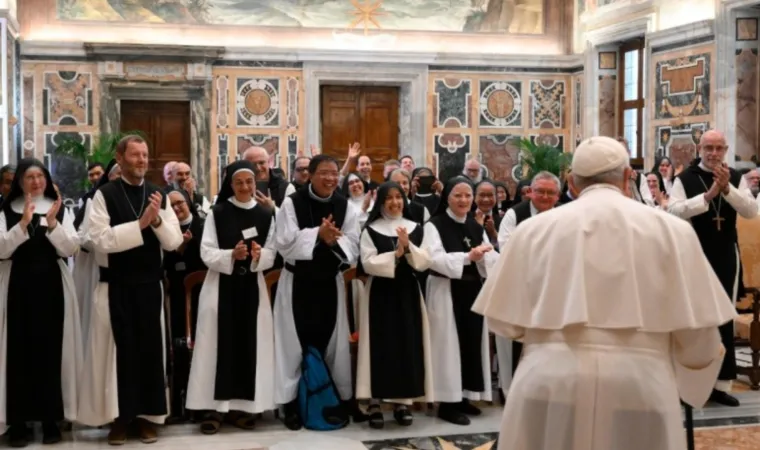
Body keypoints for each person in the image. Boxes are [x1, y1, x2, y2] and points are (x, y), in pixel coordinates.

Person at [473, 136, 735, 450]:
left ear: (571, 181)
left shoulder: (532, 230)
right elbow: (700, 344)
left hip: (547, 383)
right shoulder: (672, 231)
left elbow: (505, 324)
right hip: (640, 385)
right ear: (628, 177)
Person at [77, 135, 183, 445]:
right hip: (115, 287)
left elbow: (174, 241)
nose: (141, 160)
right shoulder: (104, 195)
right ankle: (120, 420)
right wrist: (140, 225)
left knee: (149, 353)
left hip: (149, 286)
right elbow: (97, 240)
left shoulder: (157, 194)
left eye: (145, 155)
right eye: (135, 155)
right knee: (116, 356)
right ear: (120, 158)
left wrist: (157, 222)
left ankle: (147, 417)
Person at [667, 129, 758, 407]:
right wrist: (707, 196)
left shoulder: (735, 178)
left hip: (726, 255)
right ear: (700, 148)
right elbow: (672, 212)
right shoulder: (685, 178)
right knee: (696, 320)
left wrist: (727, 189)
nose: (714, 153)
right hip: (695, 254)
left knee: (723, 318)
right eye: (709, 147)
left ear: (726, 149)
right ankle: (689, 385)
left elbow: (751, 211)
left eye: (719, 148)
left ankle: (720, 385)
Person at [186, 160, 277, 434]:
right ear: (231, 184)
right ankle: (214, 408)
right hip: (220, 288)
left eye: (249, 181)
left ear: (255, 183)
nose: (245, 187)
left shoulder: (264, 214)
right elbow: (206, 250)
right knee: (216, 346)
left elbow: (273, 250)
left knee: (249, 345)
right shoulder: (218, 212)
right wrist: (231, 255)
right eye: (239, 182)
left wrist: (260, 257)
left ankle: (243, 408)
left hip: (252, 287)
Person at [273, 154, 360, 430]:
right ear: (309, 174)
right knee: (292, 345)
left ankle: (336, 397)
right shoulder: (292, 202)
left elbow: (354, 245)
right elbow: (284, 243)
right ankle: (290, 404)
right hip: (297, 282)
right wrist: (317, 235)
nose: (330, 179)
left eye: (335, 173)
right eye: (323, 173)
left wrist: (332, 240)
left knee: (333, 343)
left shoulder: (345, 206)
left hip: (328, 282)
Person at [0, 159, 82, 447]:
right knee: (18, 355)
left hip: (52, 289)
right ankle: (18, 423)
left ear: (46, 179)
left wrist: (53, 223)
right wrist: (23, 224)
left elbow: (70, 247)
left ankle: (51, 420)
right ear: (21, 181)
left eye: (39, 176)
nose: (35, 181)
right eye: (29, 176)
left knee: (51, 353)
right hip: (16, 289)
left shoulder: (60, 208)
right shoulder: (4, 211)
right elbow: (1, 250)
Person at [356, 182, 433, 429]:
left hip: (408, 292)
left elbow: (425, 261)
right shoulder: (371, 229)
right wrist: (396, 255)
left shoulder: (417, 228)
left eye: (398, 197)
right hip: (380, 294)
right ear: (381, 202)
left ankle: (403, 402)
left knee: (407, 344)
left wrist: (408, 247)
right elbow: (367, 263)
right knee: (380, 345)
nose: (394, 203)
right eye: (388, 198)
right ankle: (376, 402)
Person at [422, 176, 498, 425]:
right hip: (446, 290)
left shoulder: (476, 226)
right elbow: (432, 258)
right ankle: (448, 402)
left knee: (471, 344)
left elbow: (490, 256)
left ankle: (465, 396)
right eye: (458, 195)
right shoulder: (435, 224)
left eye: (468, 195)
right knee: (448, 346)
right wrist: (468, 257)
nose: (464, 200)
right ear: (447, 197)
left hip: (472, 291)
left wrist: (485, 256)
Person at [163, 189, 206, 420]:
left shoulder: (203, 224)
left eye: (180, 202)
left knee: (202, 345)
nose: (177, 208)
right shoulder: (166, 229)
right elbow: (164, 260)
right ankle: (180, 405)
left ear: (188, 202)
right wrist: (179, 249)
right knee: (179, 346)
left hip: (202, 291)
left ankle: (201, 404)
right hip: (178, 293)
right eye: (172, 205)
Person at [73, 160, 120, 347]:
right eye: (117, 174)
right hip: (96, 266)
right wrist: (111, 239)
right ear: (109, 176)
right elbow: (82, 236)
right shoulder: (93, 200)